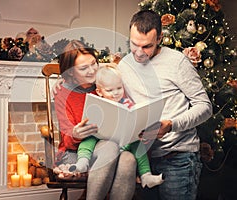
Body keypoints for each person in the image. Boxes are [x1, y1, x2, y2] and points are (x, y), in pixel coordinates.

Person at [117, 10, 213, 200]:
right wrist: (67, 84)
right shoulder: (124, 65)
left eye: (146, 46)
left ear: (160, 38)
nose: (138, 52)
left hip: (178, 158)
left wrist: (171, 124)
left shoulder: (177, 62)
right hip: (144, 159)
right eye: (134, 44)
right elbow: (108, 88)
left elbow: (205, 107)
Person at [53, 40, 137, 200]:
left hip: (114, 146)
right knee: (110, 147)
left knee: (129, 159)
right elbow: (68, 142)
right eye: (84, 68)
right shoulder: (63, 93)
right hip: (76, 153)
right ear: (70, 72)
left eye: (94, 64)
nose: (92, 71)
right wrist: (76, 133)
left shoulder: (106, 83)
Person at [69, 64, 164, 189]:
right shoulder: (97, 104)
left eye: (119, 88)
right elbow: (89, 122)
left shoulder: (127, 104)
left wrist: (138, 125)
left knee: (138, 145)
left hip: (123, 143)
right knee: (88, 139)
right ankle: (83, 161)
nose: (115, 93)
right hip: (102, 143)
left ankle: (146, 175)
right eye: (109, 90)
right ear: (99, 91)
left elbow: (134, 119)